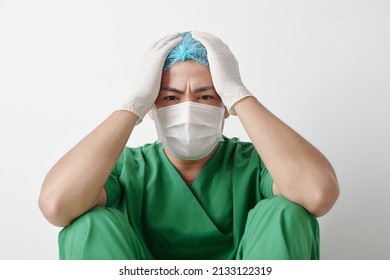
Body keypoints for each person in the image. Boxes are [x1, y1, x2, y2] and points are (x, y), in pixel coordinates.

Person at [38, 31, 339, 260]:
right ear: (152, 108)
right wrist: (132, 106)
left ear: (225, 107)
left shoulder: (258, 164)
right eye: (170, 97)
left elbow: (317, 194)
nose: (188, 108)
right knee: (88, 223)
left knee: (288, 212)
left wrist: (239, 95)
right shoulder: (127, 168)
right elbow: (56, 206)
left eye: (206, 96)